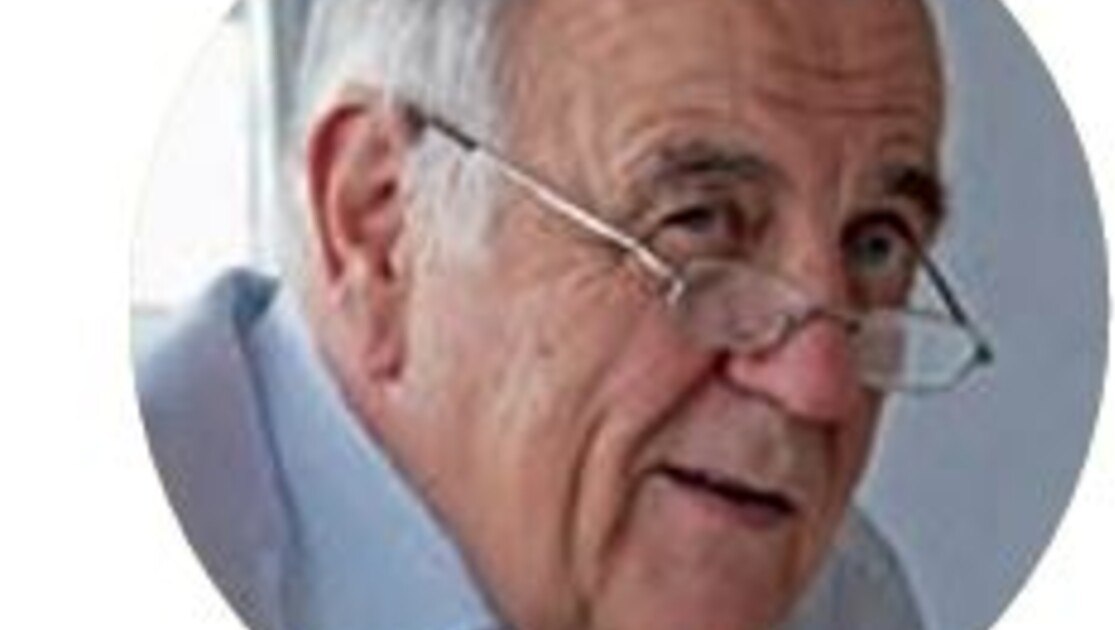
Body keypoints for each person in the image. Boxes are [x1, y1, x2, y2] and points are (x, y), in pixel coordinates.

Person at [137, 0, 992, 628]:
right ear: (382, 224)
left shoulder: (845, 601)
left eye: (876, 244)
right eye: (699, 222)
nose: (822, 386)